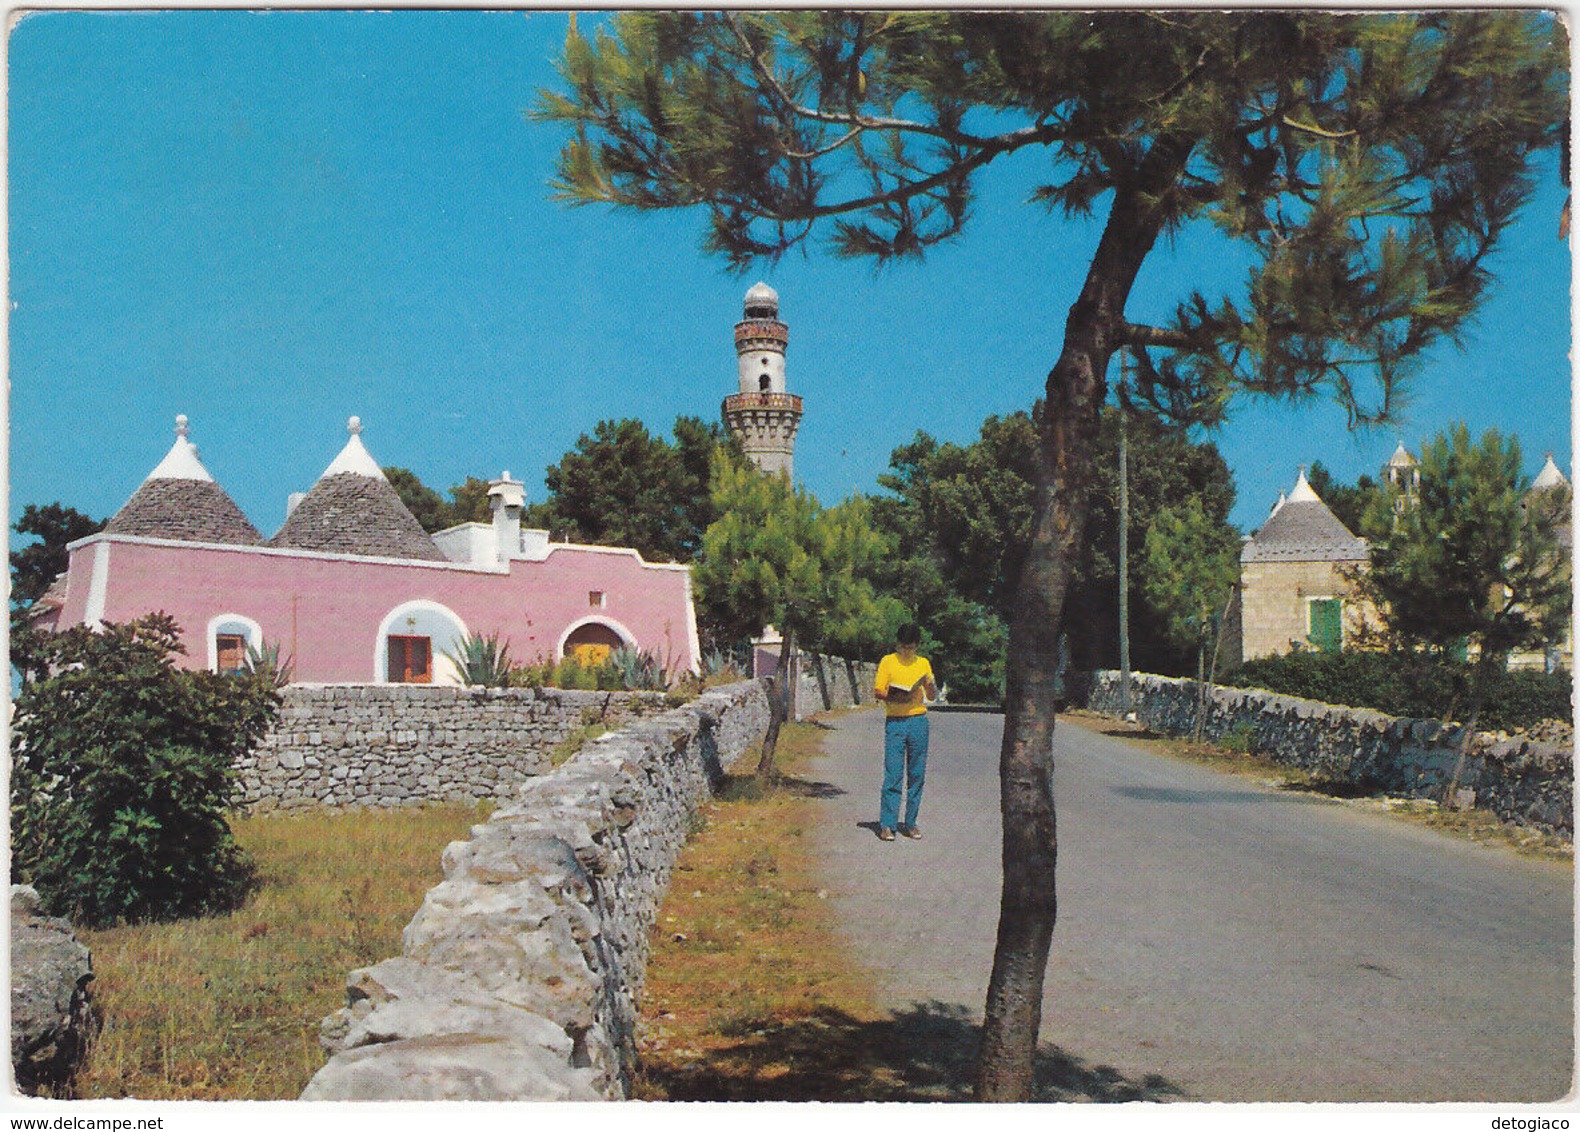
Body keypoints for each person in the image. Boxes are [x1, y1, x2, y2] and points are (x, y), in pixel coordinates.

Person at [873, 623, 937, 842]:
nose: (906, 651)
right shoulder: (888, 661)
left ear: (916, 645)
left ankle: (910, 822)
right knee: (893, 773)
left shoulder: (923, 663)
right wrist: (895, 696)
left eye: (910, 647)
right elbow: (879, 690)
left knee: (916, 773)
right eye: (903, 646)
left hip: (918, 721)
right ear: (897, 644)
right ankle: (887, 824)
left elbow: (932, 696)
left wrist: (930, 685)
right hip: (896, 722)